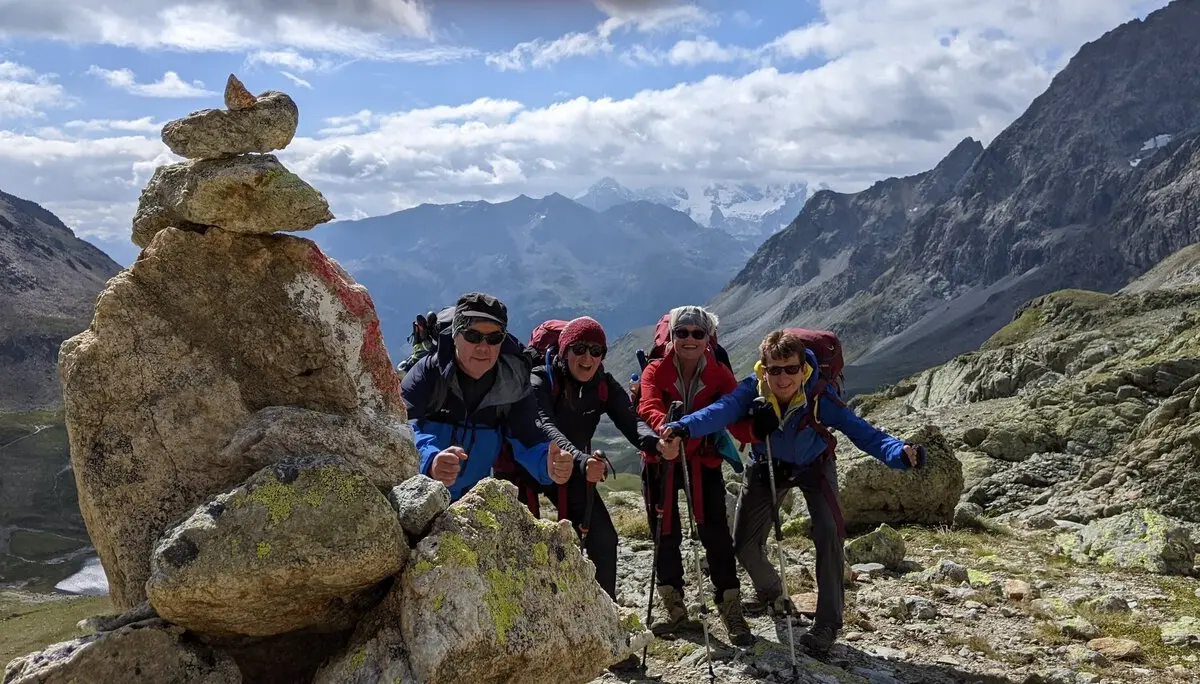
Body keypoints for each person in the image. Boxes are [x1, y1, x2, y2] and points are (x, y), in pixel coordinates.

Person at [660, 329, 925, 656]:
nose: (783, 378)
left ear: (803, 369)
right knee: (744, 544)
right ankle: (773, 593)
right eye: (774, 370)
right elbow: (720, 411)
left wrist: (899, 453)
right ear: (764, 369)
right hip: (766, 463)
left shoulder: (819, 395)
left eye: (790, 369)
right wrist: (684, 426)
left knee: (828, 535)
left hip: (815, 466)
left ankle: (826, 624)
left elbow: (862, 432)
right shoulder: (751, 390)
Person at [531, 316, 661, 672]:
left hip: (574, 466)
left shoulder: (602, 383)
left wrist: (656, 442)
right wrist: (580, 458)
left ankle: (606, 635)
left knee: (603, 540)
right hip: (530, 467)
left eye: (596, 351)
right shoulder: (542, 378)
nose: (587, 358)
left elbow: (630, 420)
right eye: (579, 349)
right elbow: (543, 425)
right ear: (564, 350)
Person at [637, 305, 754, 647]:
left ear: (708, 338)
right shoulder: (655, 369)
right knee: (665, 532)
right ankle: (675, 607)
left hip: (701, 461)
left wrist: (756, 430)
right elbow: (647, 405)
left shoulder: (719, 373)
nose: (689, 339)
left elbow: (733, 410)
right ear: (671, 336)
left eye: (698, 333)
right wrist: (666, 430)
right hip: (660, 458)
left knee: (715, 532)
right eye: (682, 332)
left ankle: (729, 605)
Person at [401, 292, 575, 501]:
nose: (483, 347)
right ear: (455, 334)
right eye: (472, 336)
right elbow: (404, 428)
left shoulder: (513, 382)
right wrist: (430, 459)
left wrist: (549, 464)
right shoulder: (428, 373)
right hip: (418, 493)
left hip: (471, 499)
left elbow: (528, 439)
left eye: (494, 338)